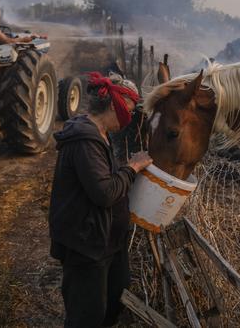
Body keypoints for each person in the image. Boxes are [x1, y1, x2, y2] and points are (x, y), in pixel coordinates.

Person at [48, 72, 152, 328]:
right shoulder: (86, 141)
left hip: (106, 241)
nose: (128, 119)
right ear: (111, 107)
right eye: (126, 110)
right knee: (86, 316)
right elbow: (104, 193)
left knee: (116, 296)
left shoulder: (100, 134)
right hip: (87, 244)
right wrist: (132, 168)